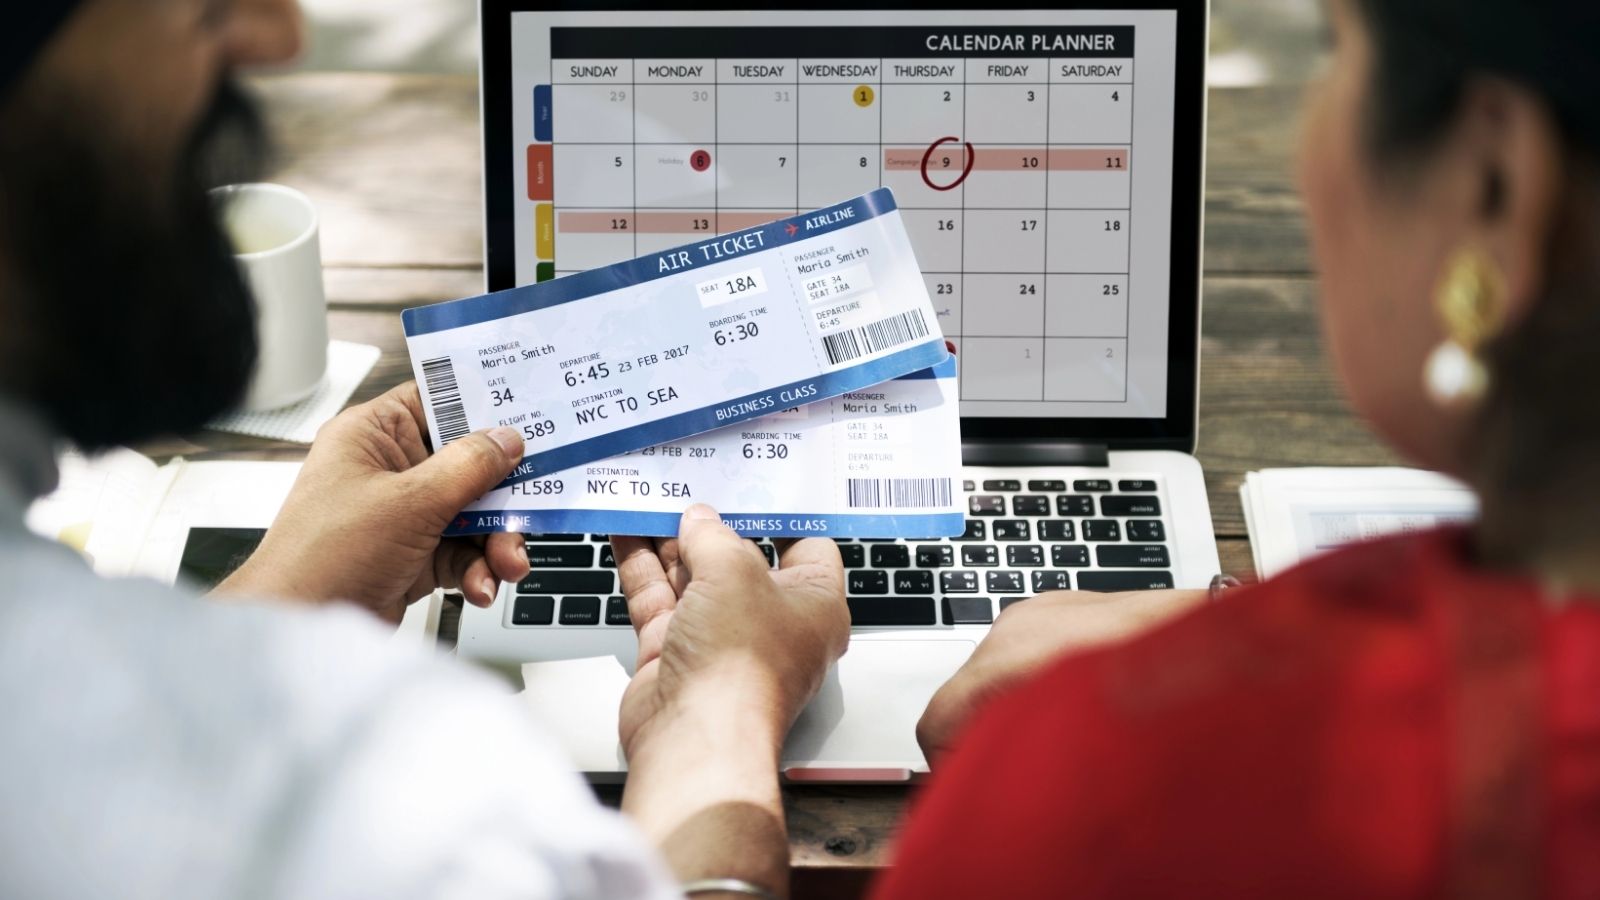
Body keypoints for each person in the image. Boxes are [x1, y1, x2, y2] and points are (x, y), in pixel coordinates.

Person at [0, 3, 848, 898]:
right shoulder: (397, 811)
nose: (279, 35)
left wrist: (285, 593)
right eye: (202, 6)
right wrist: (716, 716)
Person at [864, 0, 1600, 895]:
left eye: (1336, 58)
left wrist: (727, 721)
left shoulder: (1094, 786)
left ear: (1494, 187)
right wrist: (1228, 615)